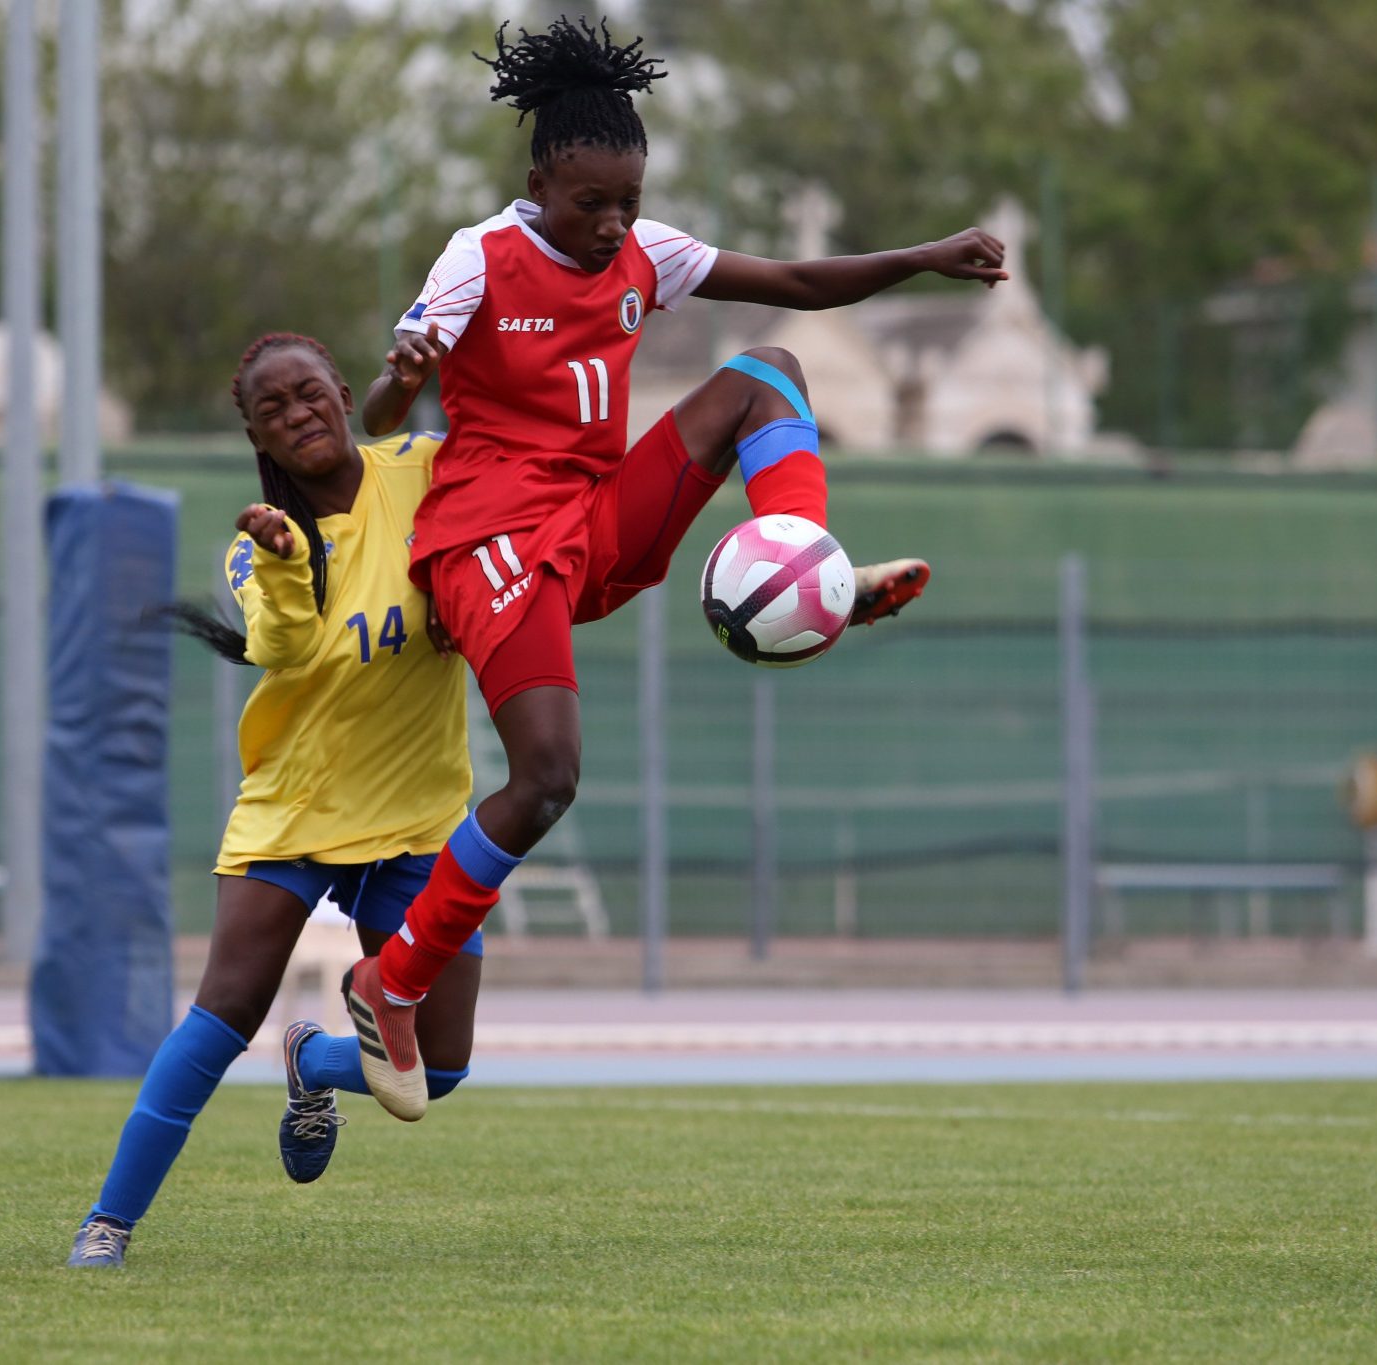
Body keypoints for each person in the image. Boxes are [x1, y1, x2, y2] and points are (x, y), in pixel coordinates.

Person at [339, 15, 1010, 1120]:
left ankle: (803, 561)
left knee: (766, 372)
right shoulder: (477, 258)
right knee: (547, 777)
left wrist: (920, 257)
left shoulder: (646, 256)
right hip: (490, 536)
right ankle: (388, 981)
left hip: (592, 523)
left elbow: (793, 278)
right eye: (587, 204)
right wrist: (400, 376)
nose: (610, 228)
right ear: (537, 180)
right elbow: (377, 413)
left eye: (627, 205)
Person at [68, 333, 483, 1269]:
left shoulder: (420, 471)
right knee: (220, 1015)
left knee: (443, 1068)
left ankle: (314, 1062)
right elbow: (283, 649)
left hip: (418, 817)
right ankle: (109, 1222)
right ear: (255, 432)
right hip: (296, 812)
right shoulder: (255, 547)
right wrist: (289, 560)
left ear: (343, 392)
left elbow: (499, 495)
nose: (298, 412)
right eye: (273, 408)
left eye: (309, 393)